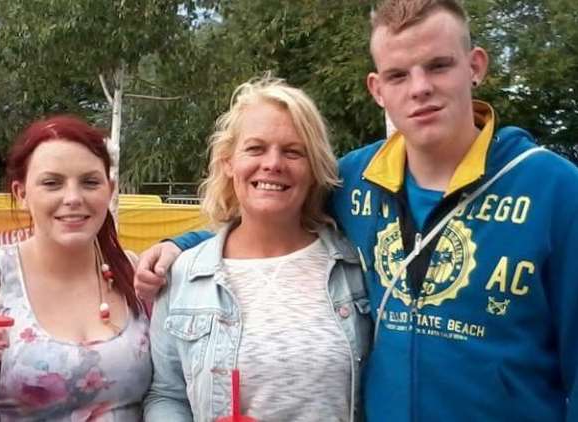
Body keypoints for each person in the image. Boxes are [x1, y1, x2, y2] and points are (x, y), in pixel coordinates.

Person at [136, 0, 578, 420]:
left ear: (475, 66)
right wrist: (182, 246)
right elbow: (270, 214)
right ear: (377, 89)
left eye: (439, 65)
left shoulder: (555, 190)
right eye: (398, 74)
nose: (420, 88)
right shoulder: (358, 180)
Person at [142, 76, 372, 422]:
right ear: (228, 162)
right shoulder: (184, 275)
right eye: (255, 148)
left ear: (314, 169)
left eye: (293, 151)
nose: (273, 163)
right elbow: (166, 394)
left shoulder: (356, 267)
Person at [0, 116, 152, 421]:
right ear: (21, 194)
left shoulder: (137, 276)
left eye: (90, 182)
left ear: (110, 190)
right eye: (52, 183)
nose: (73, 198)